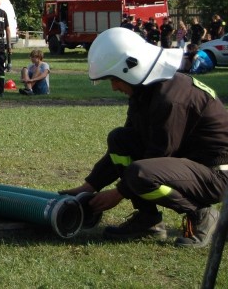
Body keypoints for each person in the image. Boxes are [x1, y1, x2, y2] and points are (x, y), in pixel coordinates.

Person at [60, 27, 228, 248]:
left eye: (114, 79)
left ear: (131, 68)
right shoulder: (146, 90)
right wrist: (90, 186)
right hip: (192, 167)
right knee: (120, 139)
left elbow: (158, 155)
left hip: (217, 175)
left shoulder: (170, 99)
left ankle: (201, 212)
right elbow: (129, 142)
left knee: (141, 173)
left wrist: (119, 193)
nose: (114, 86)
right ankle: (148, 220)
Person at [0, 3, 12, 97]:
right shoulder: (3, 13)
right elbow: (7, 30)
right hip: (1, 44)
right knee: (0, 69)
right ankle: (1, 92)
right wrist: (8, 45)